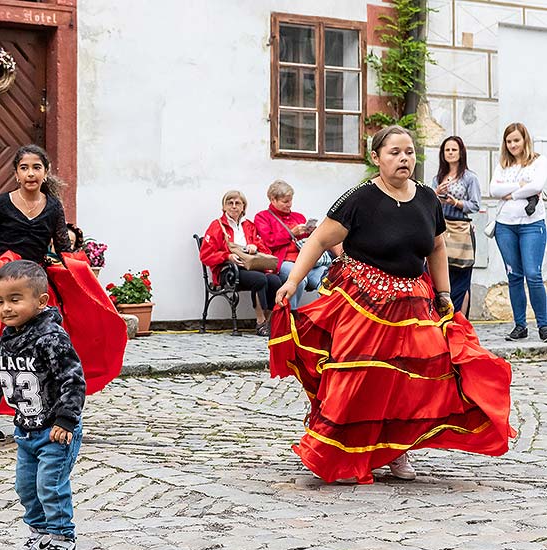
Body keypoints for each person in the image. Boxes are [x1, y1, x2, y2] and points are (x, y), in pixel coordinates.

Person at [269, 125, 514, 485]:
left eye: (410, 152)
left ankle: (397, 450)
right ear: (376, 158)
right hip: (362, 299)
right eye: (395, 152)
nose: (404, 159)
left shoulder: (428, 198)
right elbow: (319, 240)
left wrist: (443, 294)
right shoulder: (359, 199)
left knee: (411, 378)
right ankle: (344, 452)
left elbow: (437, 247)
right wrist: (292, 282)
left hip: (413, 302)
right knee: (359, 375)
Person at [0, 145, 126, 426]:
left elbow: (64, 248)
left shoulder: (54, 206)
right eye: (24, 168)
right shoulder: (3, 203)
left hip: (37, 284)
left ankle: (52, 411)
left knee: (52, 344)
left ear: (45, 173)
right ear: (16, 174)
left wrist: (80, 279)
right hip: (7, 282)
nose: (30, 173)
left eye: (36, 168)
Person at [0, 260, 85, 550]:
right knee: (26, 486)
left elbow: (73, 379)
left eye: (15, 299)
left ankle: (63, 539)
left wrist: (66, 419)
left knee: (50, 484)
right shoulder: (5, 339)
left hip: (55, 431)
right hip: (25, 430)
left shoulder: (52, 338)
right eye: (1, 301)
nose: (6, 308)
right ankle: (40, 532)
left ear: (40, 301)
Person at [489, 122, 547, 342]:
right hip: (505, 226)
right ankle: (520, 326)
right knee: (514, 276)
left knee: (533, 275)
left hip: (532, 225)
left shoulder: (538, 161)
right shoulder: (503, 165)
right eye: (509, 141)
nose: (513, 144)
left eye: (516, 140)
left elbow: (537, 185)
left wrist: (511, 193)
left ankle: (544, 325)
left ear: (525, 140)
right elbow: (494, 189)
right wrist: (522, 187)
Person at [199, 190, 282, 336]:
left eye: (238, 203)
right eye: (229, 203)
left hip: (251, 268)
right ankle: (260, 321)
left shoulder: (249, 226)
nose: (234, 206)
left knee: (275, 280)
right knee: (260, 279)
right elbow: (205, 255)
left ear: (243, 207)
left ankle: (268, 321)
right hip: (229, 272)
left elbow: (265, 251)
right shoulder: (217, 226)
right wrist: (227, 256)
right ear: (224, 207)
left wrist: (255, 247)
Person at [254, 180, 326, 308]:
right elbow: (268, 242)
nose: (289, 204)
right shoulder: (263, 217)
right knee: (298, 280)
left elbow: (304, 242)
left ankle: (324, 318)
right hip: (282, 261)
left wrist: (310, 233)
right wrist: (291, 233)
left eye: (290, 200)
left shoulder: (298, 217)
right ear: (272, 199)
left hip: (305, 260)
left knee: (327, 278)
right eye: (285, 201)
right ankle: (289, 318)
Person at [431, 136, 481, 315]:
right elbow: (430, 203)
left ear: (461, 153)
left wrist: (456, 203)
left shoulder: (469, 178)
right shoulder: (438, 178)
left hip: (460, 230)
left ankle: (460, 320)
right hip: (442, 228)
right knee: (439, 273)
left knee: (461, 276)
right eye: (447, 150)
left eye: (454, 150)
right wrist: (437, 193)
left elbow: (475, 205)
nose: (450, 153)